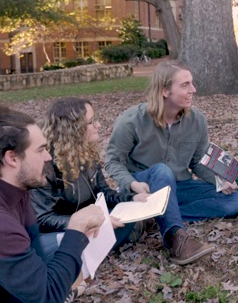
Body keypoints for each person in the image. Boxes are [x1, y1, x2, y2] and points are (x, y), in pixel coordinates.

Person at [104, 61, 238, 264]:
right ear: (165, 91)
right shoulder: (131, 121)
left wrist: (220, 180)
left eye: (192, 83)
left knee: (235, 201)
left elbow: (197, 162)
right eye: (185, 85)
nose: (193, 90)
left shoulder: (197, 120)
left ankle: (156, 215)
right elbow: (113, 161)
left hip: (179, 186)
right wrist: (132, 185)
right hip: (145, 189)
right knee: (162, 171)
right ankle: (176, 236)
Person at [0, 98, 105, 302]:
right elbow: (46, 297)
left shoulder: (18, 188)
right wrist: (75, 230)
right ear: (12, 158)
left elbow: (38, 255)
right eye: (40, 150)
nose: (48, 157)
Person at [31, 98, 150, 253]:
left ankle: (108, 241)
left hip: (93, 222)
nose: (98, 125)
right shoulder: (46, 165)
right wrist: (83, 223)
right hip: (66, 231)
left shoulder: (87, 154)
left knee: (126, 216)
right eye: (91, 122)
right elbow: (42, 219)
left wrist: (131, 198)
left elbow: (104, 193)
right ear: (73, 128)